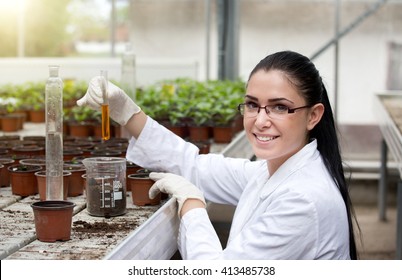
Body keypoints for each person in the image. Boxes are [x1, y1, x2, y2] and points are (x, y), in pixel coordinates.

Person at [77, 50, 359, 260]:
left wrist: (191, 204)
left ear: (313, 116)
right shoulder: (273, 170)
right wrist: (126, 112)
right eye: (252, 105)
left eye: (279, 107)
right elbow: (195, 166)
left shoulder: (302, 201)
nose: (260, 120)